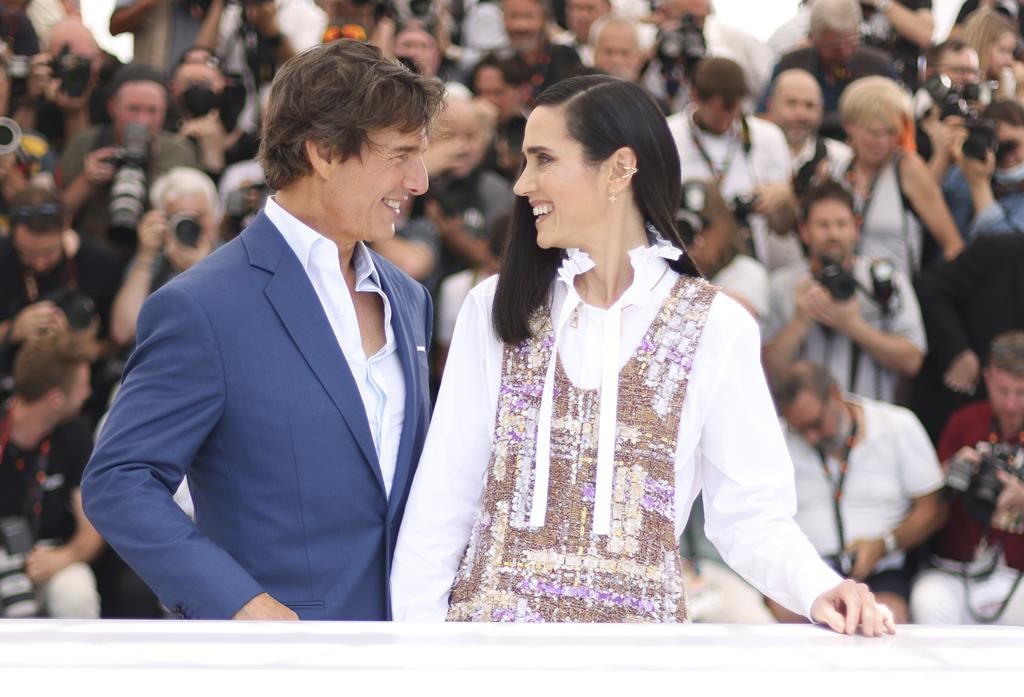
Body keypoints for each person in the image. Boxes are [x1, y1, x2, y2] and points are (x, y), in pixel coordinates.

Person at [391, 75, 895, 636]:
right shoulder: (495, 307)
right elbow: (443, 501)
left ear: (619, 169)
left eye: (543, 160)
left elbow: (750, 515)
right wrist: (418, 644)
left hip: (642, 661)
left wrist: (819, 586)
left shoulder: (715, 325)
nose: (523, 183)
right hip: (491, 654)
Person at [81, 40, 443, 621]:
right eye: (400, 155)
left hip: (407, 650)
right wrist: (240, 604)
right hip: (278, 665)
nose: (420, 180)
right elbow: (120, 481)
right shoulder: (201, 307)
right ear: (324, 151)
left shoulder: (409, 298)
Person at [773, 361, 946, 624]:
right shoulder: (777, 437)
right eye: (801, 430)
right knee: (779, 617)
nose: (811, 437)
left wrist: (885, 544)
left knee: (886, 619)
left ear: (835, 394)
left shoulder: (897, 425)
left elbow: (933, 510)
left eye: (817, 424)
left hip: (880, 571)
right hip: (805, 572)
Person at [762, 180, 926, 404]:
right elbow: (765, 372)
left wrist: (853, 326)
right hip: (800, 426)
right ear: (804, 231)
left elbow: (912, 360)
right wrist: (799, 323)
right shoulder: (781, 285)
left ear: (856, 228)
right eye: (823, 225)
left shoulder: (885, 278)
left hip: (870, 421)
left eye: (841, 224)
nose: (833, 234)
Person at [910, 331, 1024, 625]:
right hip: (959, 568)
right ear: (987, 378)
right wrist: (949, 475)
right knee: (928, 600)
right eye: (1003, 390)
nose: (1011, 405)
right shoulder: (965, 422)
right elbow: (931, 501)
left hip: (1017, 574)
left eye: (1021, 393)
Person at [0, 329, 103, 618]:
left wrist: (64, 557)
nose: (89, 393)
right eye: (83, 385)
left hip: (54, 553)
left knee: (76, 595)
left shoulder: (75, 434)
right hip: (4, 559)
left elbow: (91, 529)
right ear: (56, 398)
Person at [667, 57, 798, 271]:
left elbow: (782, 228)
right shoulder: (666, 134)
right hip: (686, 258)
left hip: (747, 261)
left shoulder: (769, 137)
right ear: (695, 96)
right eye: (718, 111)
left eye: (733, 109)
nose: (726, 120)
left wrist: (784, 199)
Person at [829, 76, 963, 279]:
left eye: (892, 133)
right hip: (844, 291)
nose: (883, 141)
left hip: (897, 299)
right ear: (850, 126)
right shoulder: (836, 169)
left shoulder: (907, 168)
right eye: (873, 133)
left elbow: (953, 245)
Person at [764, 0, 892, 141]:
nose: (844, 51)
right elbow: (764, 116)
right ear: (813, 38)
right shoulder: (791, 65)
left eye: (851, 41)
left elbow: (897, 119)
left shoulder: (877, 66)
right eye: (834, 46)